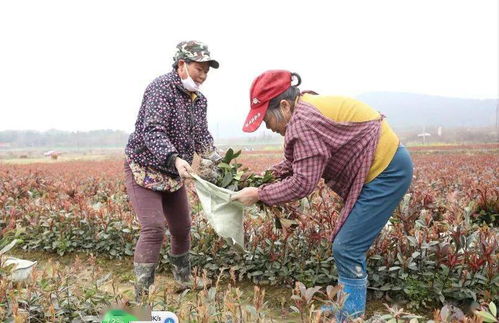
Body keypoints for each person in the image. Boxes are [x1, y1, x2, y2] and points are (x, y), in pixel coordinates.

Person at [231, 70, 413, 321]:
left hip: (387, 170)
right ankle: (346, 306)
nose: (267, 127)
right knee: (348, 243)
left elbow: (302, 183)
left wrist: (260, 194)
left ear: (284, 106)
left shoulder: (304, 123)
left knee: (347, 246)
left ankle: (350, 314)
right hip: (385, 164)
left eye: (266, 119)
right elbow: (293, 164)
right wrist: (259, 179)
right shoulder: (303, 108)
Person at [124, 40, 221, 301]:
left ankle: (183, 280)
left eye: (206, 71)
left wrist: (218, 160)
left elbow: (201, 135)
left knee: (182, 227)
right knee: (154, 228)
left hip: (173, 174)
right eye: (198, 68)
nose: (202, 76)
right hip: (145, 169)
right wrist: (175, 158)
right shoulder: (160, 89)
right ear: (181, 65)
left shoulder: (199, 100)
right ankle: (141, 294)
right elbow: (152, 130)